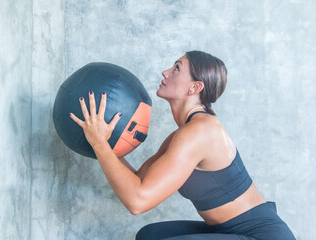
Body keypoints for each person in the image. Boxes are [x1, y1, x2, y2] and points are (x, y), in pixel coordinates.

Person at [69, 51, 296, 240]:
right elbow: (137, 182)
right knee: (150, 236)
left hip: (260, 236)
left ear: (195, 87)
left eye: (176, 68)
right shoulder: (182, 134)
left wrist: (100, 145)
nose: (165, 72)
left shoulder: (199, 133)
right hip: (228, 230)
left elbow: (137, 201)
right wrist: (103, 141)